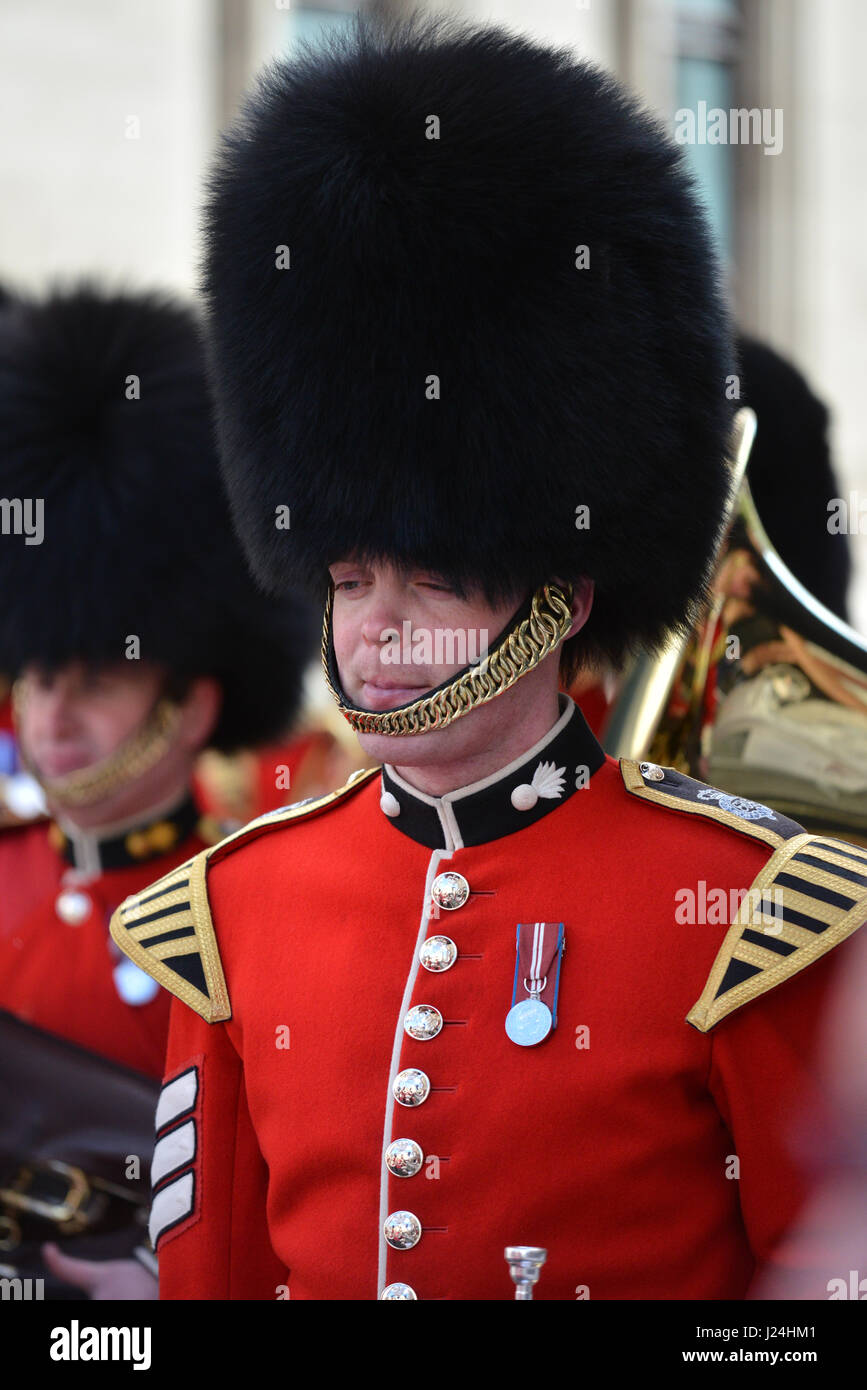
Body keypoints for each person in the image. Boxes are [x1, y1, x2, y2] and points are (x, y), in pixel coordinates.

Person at [111, 16, 867, 1300]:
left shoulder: (756, 916)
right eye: (349, 579)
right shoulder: (234, 911)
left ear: (560, 597)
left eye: (434, 578)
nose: (378, 627)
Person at [0, 285, 314, 1294]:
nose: (54, 716)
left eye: (96, 677)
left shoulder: (253, 903)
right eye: (41, 675)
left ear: (187, 702)